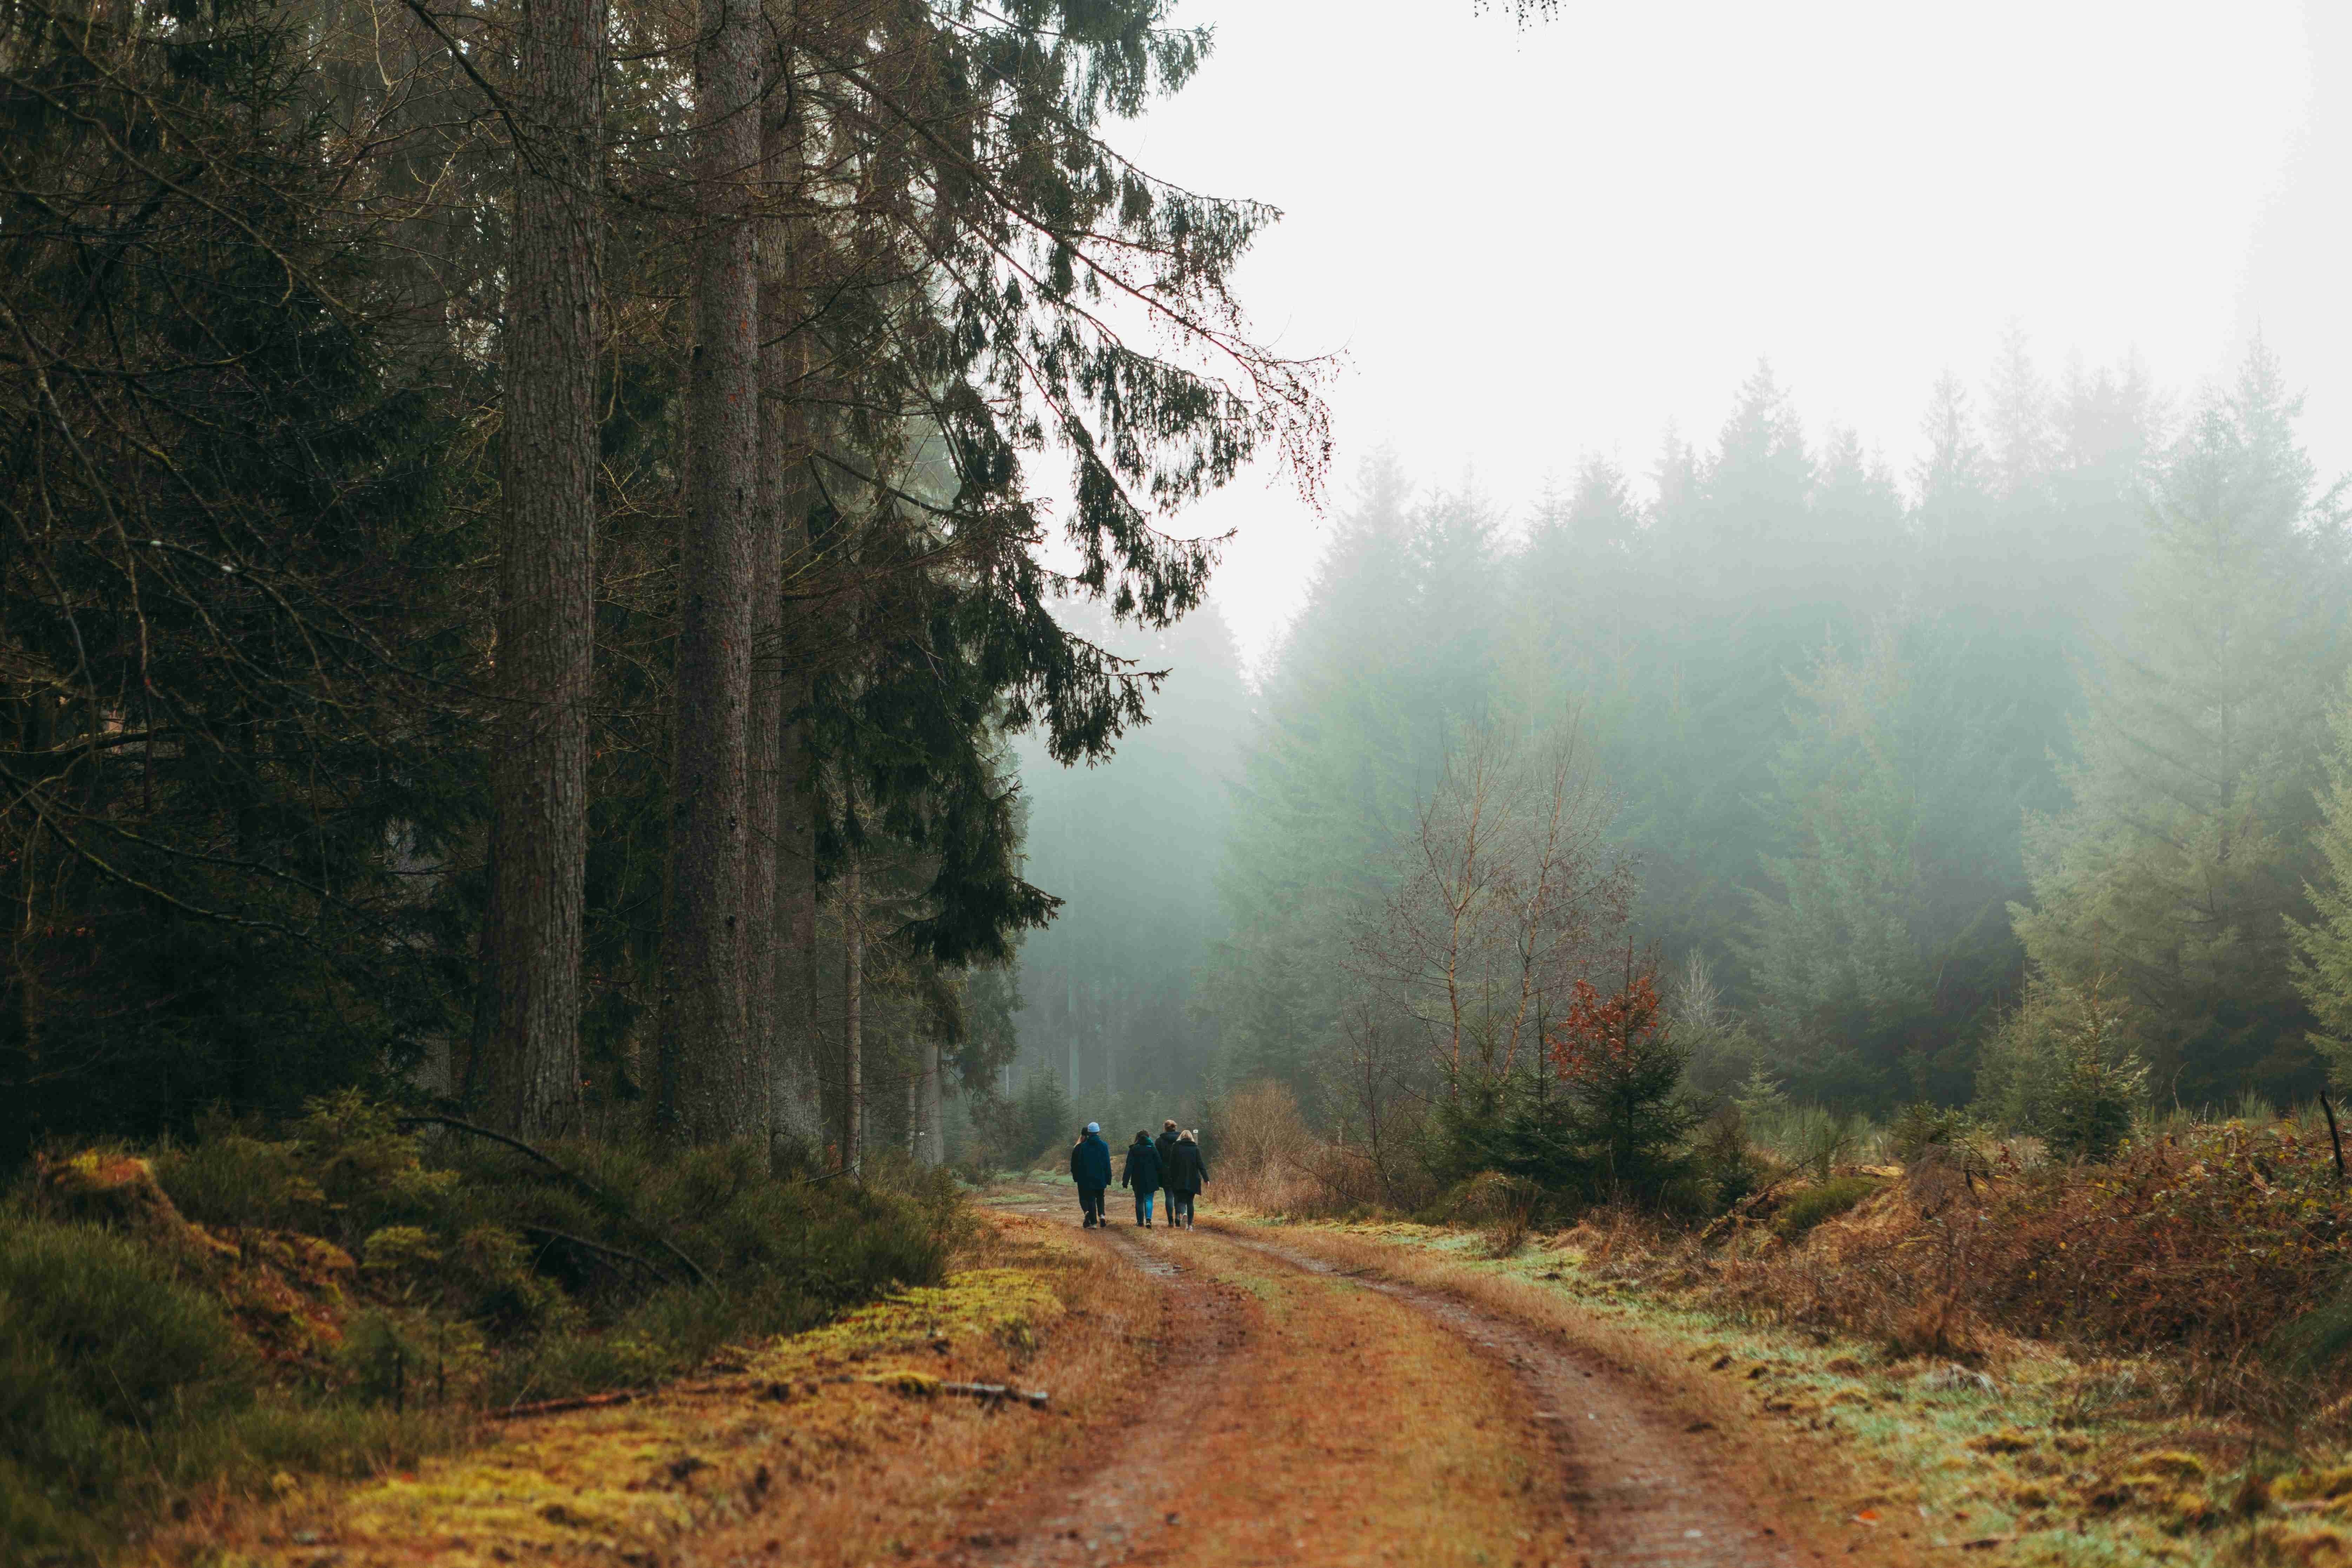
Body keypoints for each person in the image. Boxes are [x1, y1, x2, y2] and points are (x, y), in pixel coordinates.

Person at [1069, 1122, 1112, 1228]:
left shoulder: (1083, 1147)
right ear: (1098, 1131)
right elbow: (1107, 1163)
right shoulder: (1104, 1145)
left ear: (1089, 1132)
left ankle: (1093, 1223)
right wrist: (1109, 1177)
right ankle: (1102, 1215)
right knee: (1101, 1196)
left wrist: (1080, 1177)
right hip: (1101, 1176)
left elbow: (1080, 1164)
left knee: (1091, 1199)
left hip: (1088, 1177)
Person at [1164, 1128, 1207, 1229]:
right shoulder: (1195, 1148)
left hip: (1178, 1179)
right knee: (1190, 1202)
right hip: (1193, 1179)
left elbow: (1172, 1164)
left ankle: (1184, 1213)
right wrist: (1206, 1178)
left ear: (1181, 1137)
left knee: (1180, 1201)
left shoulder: (1176, 1147)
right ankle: (1190, 1226)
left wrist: (1170, 1178)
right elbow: (1200, 1164)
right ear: (1191, 1138)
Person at [1120, 1130, 1163, 1227]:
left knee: (1139, 1200)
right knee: (1149, 1199)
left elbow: (1129, 1166)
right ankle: (1148, 1220)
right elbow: (1159, 1164)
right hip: (1151, 1178)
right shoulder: (1153, 1149)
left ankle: (1140, 1222)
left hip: (1137, 1179)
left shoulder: (1134, 1149)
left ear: (1137, 1138)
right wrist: (1160, 1178)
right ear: (1148, 1137)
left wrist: (1125, 1181)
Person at [1154, 1119, 1180, 1218]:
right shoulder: (1180, 1140)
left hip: (1165, 1172)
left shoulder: (1159, 1141)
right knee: (1177, 1194)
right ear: (1175, 1127)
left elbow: (1156, 1158)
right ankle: (1178, 1216)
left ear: (1165, 1128)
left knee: (1169, 1195)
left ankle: (1170, 1220)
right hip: (1179, 1171)